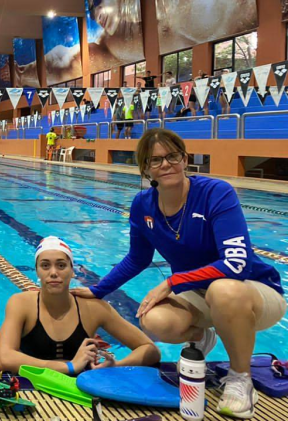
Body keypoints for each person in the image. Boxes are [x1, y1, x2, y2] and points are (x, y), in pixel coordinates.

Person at [72, 129, 286, 419]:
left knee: (222, 290)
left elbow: (237, 263)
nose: (166, 164)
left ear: (185, 159)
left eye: (172, 156)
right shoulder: (143, 205)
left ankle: (240, 379)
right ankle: (203, 337)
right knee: (154, 318)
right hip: (199, 293)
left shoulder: (215, 193)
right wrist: (99, 290)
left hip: (250, 290)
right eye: (156, 160)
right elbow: (137, 258)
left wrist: (173, 282)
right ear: (146, 168)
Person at [0, 237, 160, 375]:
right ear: (37, 272)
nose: (53, 272)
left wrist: (115, 366)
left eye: (61, 265)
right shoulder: (21, 303)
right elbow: (4, 359)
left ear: (72, 271)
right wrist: (69, 366)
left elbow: (150, 350)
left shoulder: (93, 308)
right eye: (45, 266)